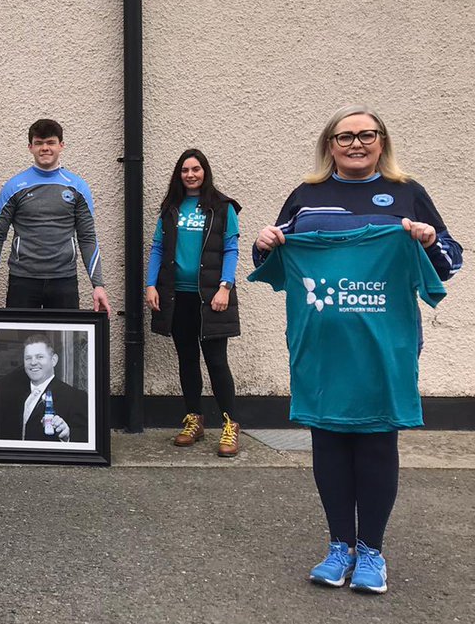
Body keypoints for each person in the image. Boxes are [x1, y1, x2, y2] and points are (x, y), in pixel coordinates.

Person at [252, 105, 462, 594]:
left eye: (367, 135)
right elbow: (272, 260)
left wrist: (428, 241)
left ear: (382, 142)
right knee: (326, 444)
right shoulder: (306, 197)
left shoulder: (408, 193)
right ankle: (338, 545)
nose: (356, 143)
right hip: (321, 351)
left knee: (375, 444)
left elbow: (448, 264)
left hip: (382, 351)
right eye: (344, 137)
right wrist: (265, 242)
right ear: (330, 145)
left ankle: (371, 551)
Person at [145, 149, 242, 457]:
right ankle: (193, 420)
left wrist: (225, 287)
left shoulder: (222, 208)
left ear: (205, 172)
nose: (190, 174)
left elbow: (231, 249)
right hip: (178, 297)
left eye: (195, 169)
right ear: (179, 174)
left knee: (216, 362)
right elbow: (158, 248)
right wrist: (150, 285)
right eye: (185, 170)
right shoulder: (171, 207)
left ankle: (230, 426)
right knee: (187, 360)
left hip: (211, 297)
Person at [0, 119, 112, 313]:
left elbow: (87, 237)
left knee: (64, 344)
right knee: (19, 343)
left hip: (64, 281)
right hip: (22, 280)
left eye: (50, 142)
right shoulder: (14, 186)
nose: (45, 148)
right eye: (39, 143)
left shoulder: (77, 187)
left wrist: (98, 285)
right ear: (30, 147)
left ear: (61, 145)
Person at [0, 334, 87, 443]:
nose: (33, 363)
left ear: (54, 360)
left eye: (39, 357)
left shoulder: (76, 398)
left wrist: (67, 435)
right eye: (28, 358)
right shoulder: (13, 395)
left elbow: (86, 439)